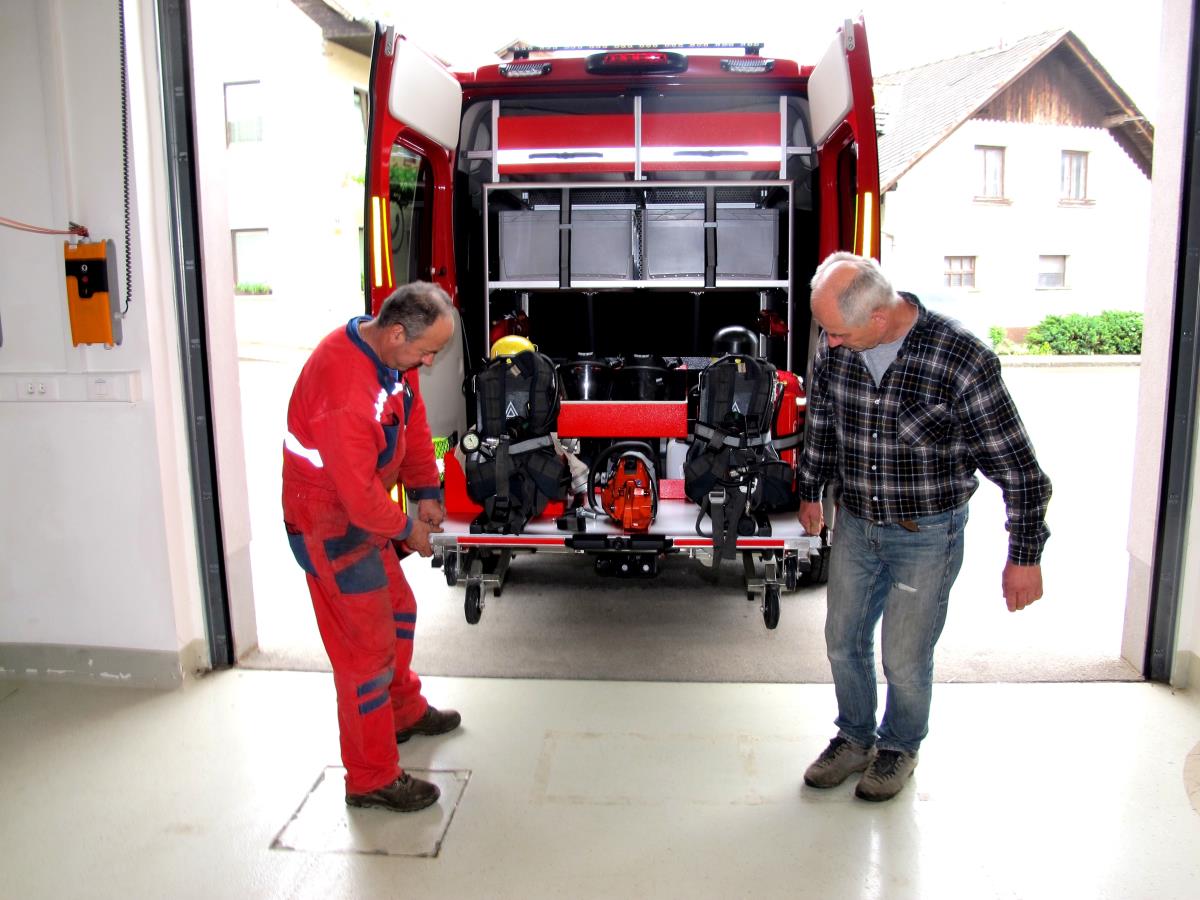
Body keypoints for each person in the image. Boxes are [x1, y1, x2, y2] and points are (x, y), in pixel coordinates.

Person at [797, 252, 1051, 802]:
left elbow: (1021, 472)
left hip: (927, 534)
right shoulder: (838, 345)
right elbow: (822, 420)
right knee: (842, 641)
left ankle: (899, 747)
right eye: (827, 333)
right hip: (856, 522)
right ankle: (854, 737)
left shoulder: (960, 359)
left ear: (879, 317)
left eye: (838, 334)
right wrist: (810, 489)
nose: (829, 345)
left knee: (904, 658)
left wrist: (1025, 556)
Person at [282, 281, 462, 813]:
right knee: (365, 654)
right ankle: (370, 778)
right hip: (330, 525)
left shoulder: (394, 359)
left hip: (360, 514)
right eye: (427, 351)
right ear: (397, 332)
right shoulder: (344, 387)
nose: (430, 362)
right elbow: (358, 496)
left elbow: (413, 423)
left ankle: (402, 711)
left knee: (399, 608)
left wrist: (426, 491)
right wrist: (409, 529)